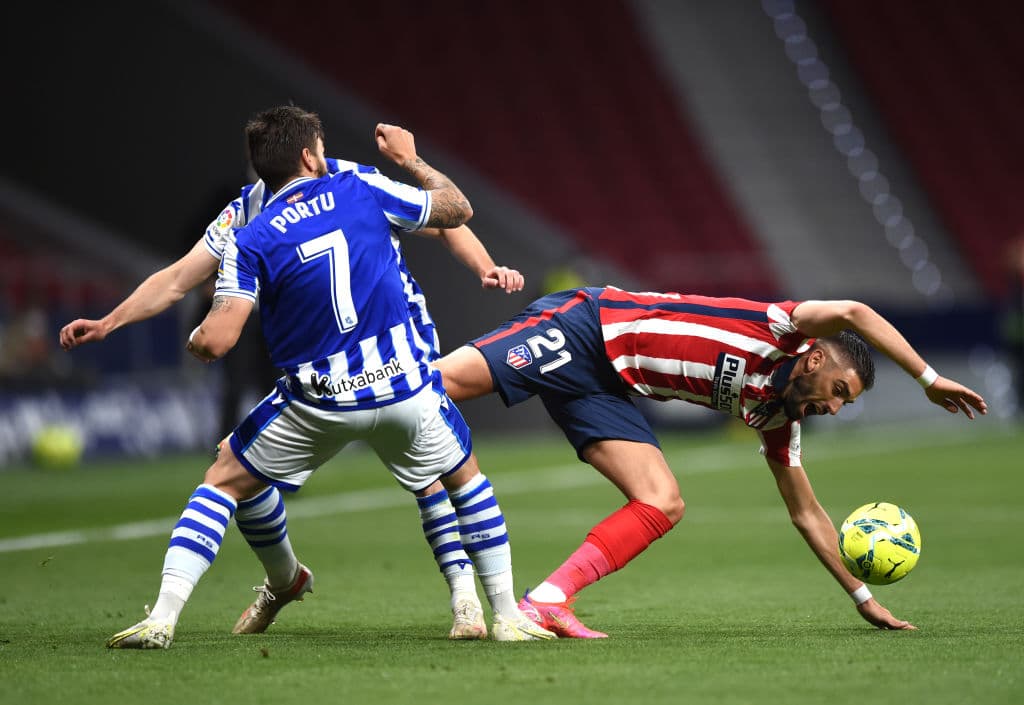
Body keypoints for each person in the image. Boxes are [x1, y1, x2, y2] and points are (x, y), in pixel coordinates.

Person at [104, 106, 552, 648]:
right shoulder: (355, 185)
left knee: (226, 474)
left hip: (321, 395)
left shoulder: (250, 230)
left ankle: (170, 616)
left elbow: (204, 319)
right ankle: (499, 611)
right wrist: (412, 162)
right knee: (458, 477)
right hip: (404, 375)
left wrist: (189, 339)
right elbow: (448, 213)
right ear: (309, 155)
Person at [430, 286, 988, 637]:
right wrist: (929, 379)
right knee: (434, 386)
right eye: (839, 389)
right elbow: (855, 310)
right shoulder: (780, 328)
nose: (835, 408)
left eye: (846, 403)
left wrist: (862, 598)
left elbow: (807, 513)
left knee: (663, 502)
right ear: (815, 356)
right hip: (585, 327)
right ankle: (356, 392)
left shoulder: (775, 417)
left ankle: (545, 603)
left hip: (606, 386)